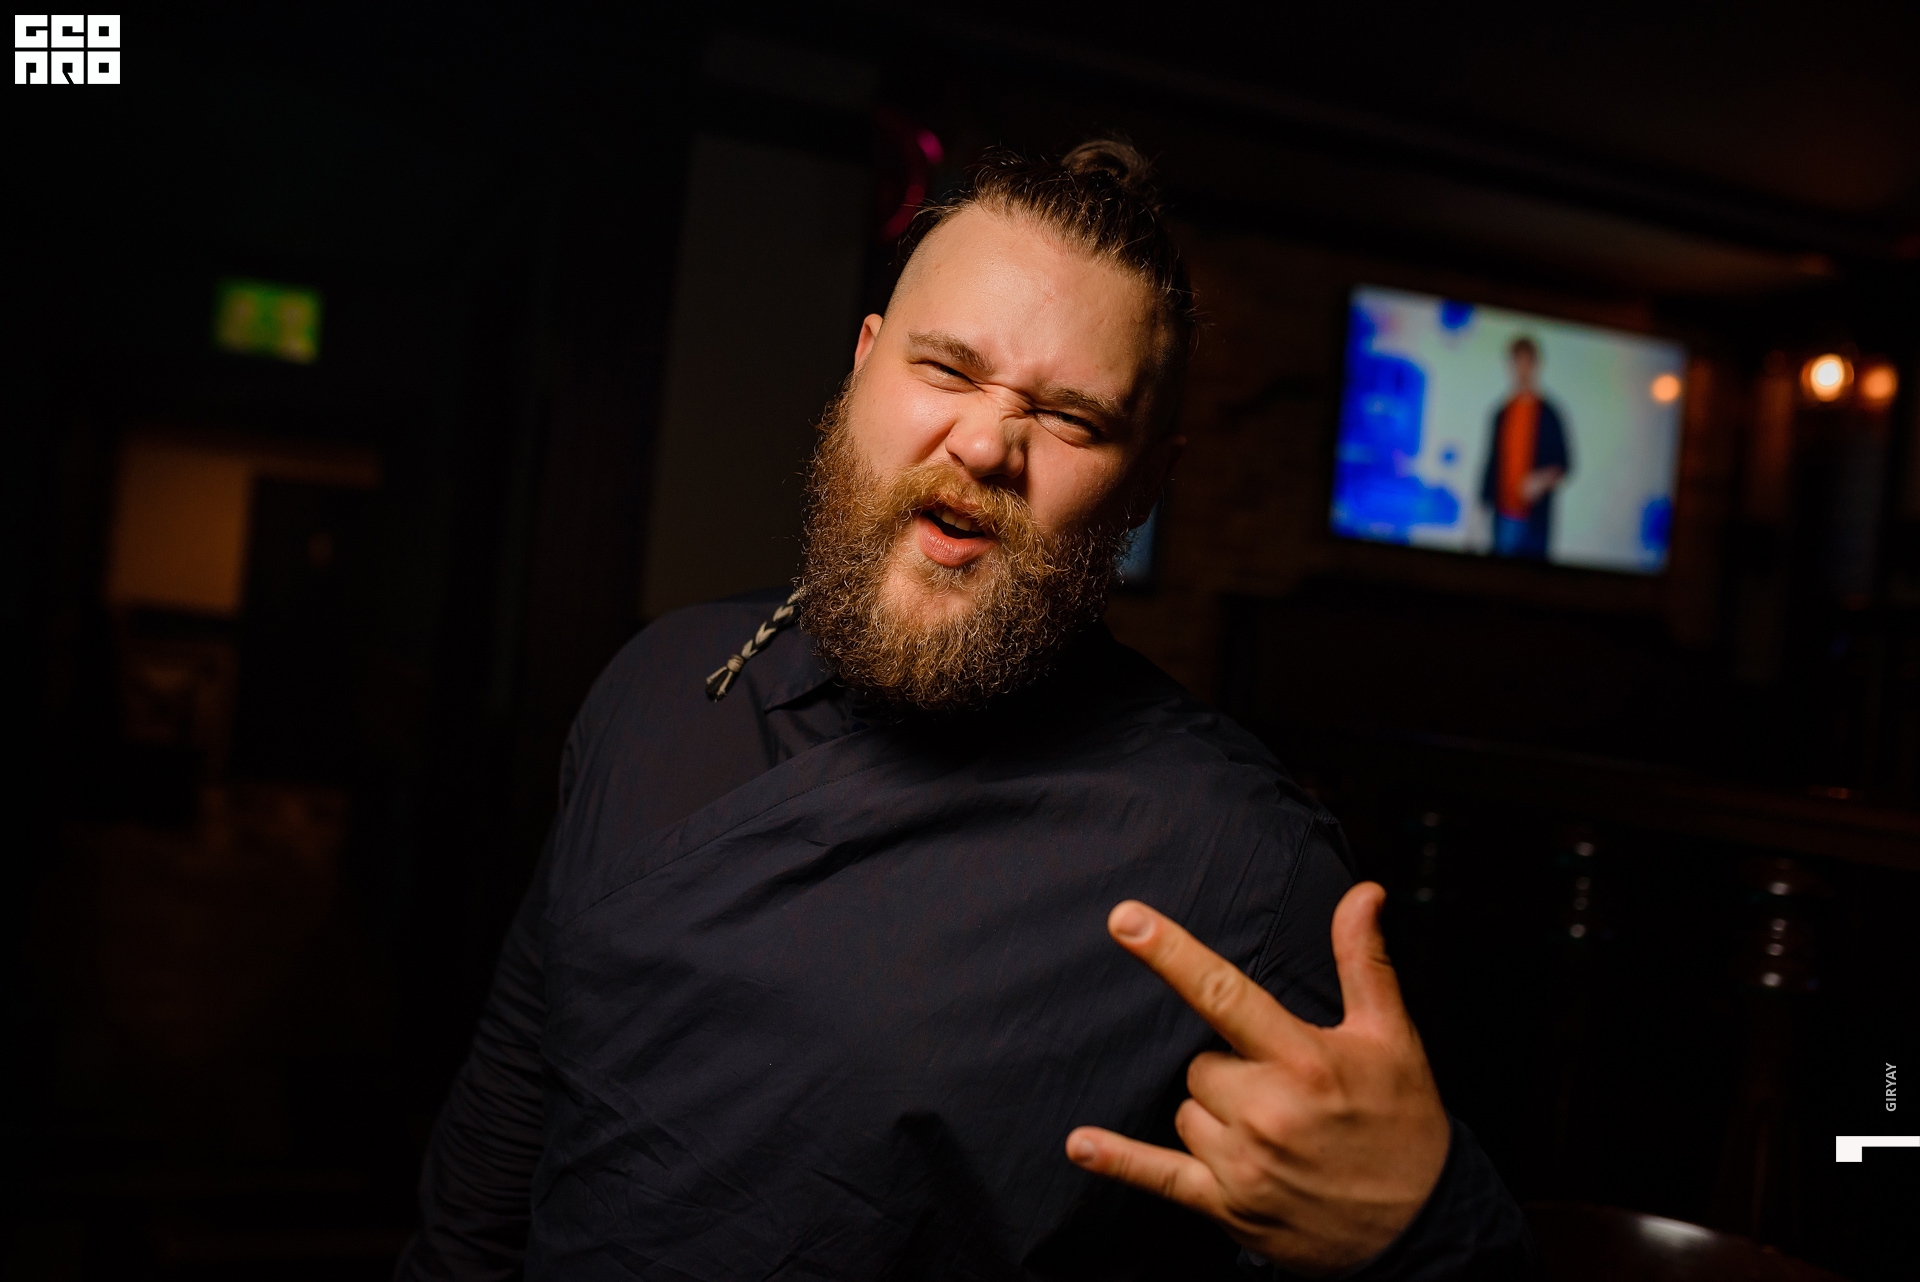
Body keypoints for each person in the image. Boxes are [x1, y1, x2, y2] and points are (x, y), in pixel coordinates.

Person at [396, 142, 1533, 1281]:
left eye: (1072, 418)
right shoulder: (661, 679)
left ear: (1147, 482)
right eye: (947, 368)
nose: (986, 445)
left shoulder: (1239, 864)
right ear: (863, 365)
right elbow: (497, 1147)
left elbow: (1380, 1206)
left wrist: (1424, 1223)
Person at [1477, 337, 1570, 560]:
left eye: (1526, 362)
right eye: (1517, 363)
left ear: (1536, 365)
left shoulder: (1549, 414)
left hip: (1535, 519)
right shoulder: (1502, 413)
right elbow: (1491, 464)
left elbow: (1564, 463)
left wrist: (1541, 480)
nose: (1522, 370)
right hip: (1503, 517)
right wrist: (1478, 515)